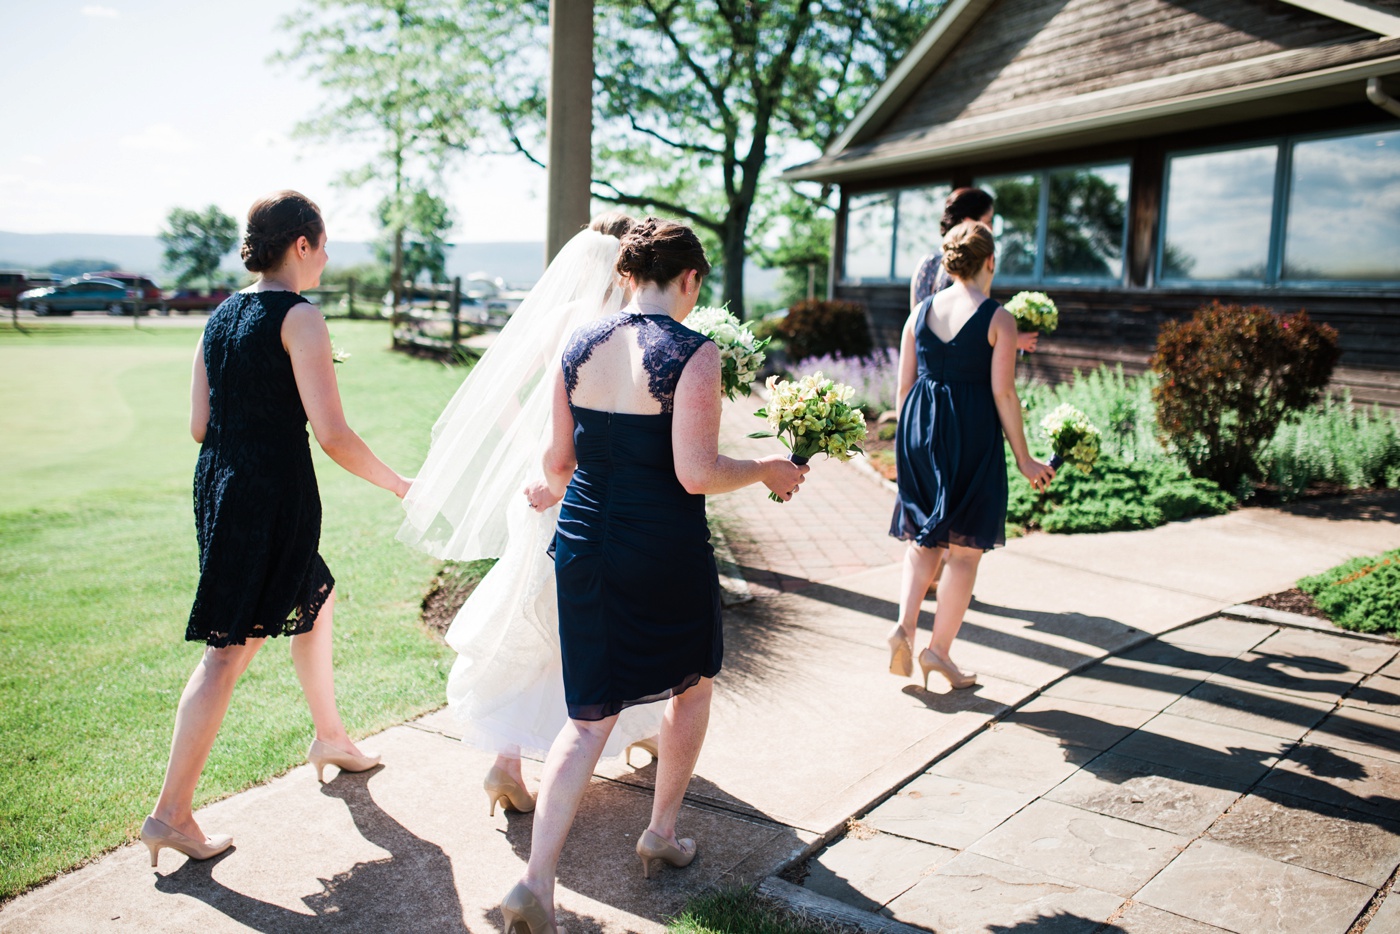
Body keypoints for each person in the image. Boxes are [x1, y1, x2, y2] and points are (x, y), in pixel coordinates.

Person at [498, 218, 808, 934]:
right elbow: (695, 473)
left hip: (583, 540)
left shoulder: (577, 346)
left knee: (588, 717)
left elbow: (557, 463)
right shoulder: (693, 353)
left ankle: (536, 882)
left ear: (628, 275)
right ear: (691, 281)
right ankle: (660, 834)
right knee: (691, 684)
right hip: (661, 547)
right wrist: (764, 467)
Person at [141, 191, 412, 868]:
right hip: (269, 494)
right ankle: (170, 814)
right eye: (323, 245)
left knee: (314, 596)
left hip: (220, 485)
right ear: (300, 245)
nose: (326, 257)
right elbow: (334, 435)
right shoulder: (300, 317)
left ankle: (330, 736)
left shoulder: (222, 316)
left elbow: (200, 426)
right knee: (228, 652)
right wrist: (403, 485)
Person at [397, 213, 664, 822]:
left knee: (531, 621)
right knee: (591, 622)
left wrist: (531, 454)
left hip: (540, 483)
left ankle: (513, 760)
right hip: (583, 487)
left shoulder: (553, 319)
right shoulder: (615, 329)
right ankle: (600, 737)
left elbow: (504, 397)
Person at [886, 221, 1054, 690]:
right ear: (989, 262)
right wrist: (1024, 458)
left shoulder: (918, 314)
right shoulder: (999, 318)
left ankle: (903, 626)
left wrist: (910, 446)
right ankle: (938, 653)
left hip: (918, 434)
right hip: (972, 434)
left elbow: (904, 387)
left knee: (923, 538)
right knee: (963, 554)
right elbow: (1003, 394)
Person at [908, 188, 1037, 599]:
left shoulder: (924, 274)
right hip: (966, 414)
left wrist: (906, 420)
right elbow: (998, 383)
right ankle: (943, 620)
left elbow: (922, 341)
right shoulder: (988, 302)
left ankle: (911, 615)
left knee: (928, 527)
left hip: (923, 410)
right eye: (990, 219)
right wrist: (1009, 336)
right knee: (963, 547)